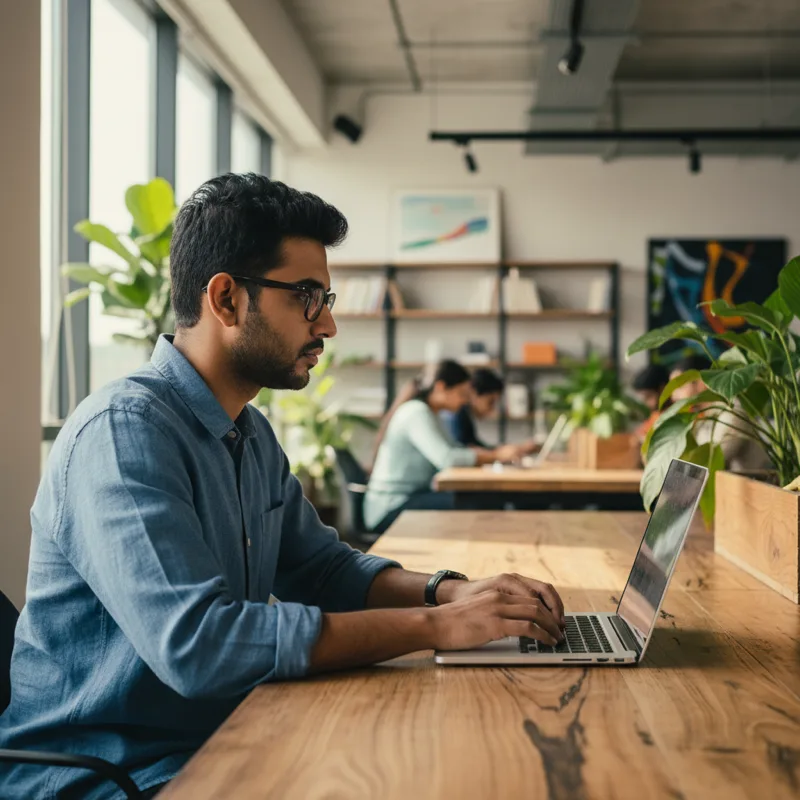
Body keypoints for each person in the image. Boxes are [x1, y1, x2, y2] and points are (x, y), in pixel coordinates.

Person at [0, 174, 565, 800]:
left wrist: (451, 593)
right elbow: (200, 646)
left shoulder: (249, 432)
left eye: (324, 297)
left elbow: (323, 572)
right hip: (111, 775)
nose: (326, 325)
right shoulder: (123, 436)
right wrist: (435, 628)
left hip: (226, 735)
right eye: (306, 296)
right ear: (226, 299)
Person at [364, 361, 526, 535]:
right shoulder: (416, 412)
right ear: (441, 387)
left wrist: (489, 454)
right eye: (462, 394)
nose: (465, 401)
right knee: (479, 503)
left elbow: (454, 449)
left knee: (479, 500)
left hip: (409, 498)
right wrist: (496, 455)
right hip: (391, 507)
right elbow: (447, 459)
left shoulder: (430, 413)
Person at [668, 353, 769, 471]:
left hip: (754, 485)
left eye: (679, 388)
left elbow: (714, 460)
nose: (673, 397)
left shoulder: (732, 409)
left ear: (701, 382)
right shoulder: (703, 416)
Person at [632, 363, 670, 442]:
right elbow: (639, 434)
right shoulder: (656, 415)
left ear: (662, 389)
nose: (646, 403)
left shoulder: (684, 411)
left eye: (648, 397)